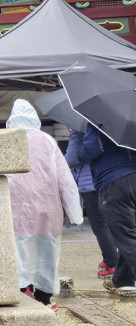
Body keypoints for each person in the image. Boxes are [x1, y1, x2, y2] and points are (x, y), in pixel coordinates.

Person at [5, 99, 83, 307]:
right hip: (48, 208)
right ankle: (44, 295)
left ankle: (23, 289)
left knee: (18, 250)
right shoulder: (48, 141)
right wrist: (74, 212)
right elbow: (64, 178)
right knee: (47, 252)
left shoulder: (7, 140)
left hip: (16, 208)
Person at [83, 121, 136, 297]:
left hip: (114, 181)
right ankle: (122, 280)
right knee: (129, 235)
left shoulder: (98, 118)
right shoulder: (130, 117)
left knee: (126, 235)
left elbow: (91, 150)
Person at [65, 128, 118, 281]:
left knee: (99, 225)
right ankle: (112, 258)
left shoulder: (78, 130)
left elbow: (71, 158)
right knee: (112, 222)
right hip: (109, 179)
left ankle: (112, 263)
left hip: (90, 184)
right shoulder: (106, 126)